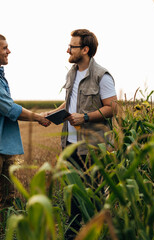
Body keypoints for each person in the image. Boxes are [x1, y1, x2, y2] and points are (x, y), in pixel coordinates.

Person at [0, 33, 50, 237]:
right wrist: (38, 117)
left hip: (2, 145)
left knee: (6, 198)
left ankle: (2, 233)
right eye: (5, 48)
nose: (9, 51)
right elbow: (8, 108)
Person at [47, 29, 117, 239]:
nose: (67, 49)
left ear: (85, 50)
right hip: (69, 146)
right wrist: (52, 114)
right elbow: (70, 102)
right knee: (72, 198)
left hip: (92, 149)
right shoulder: (71, 73)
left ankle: (96, 234)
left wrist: (84, 117)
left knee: (92, 200)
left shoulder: (101, 76)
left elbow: (112, 108)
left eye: (72, 46)